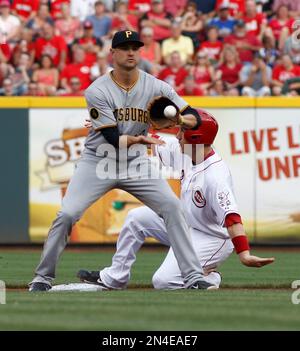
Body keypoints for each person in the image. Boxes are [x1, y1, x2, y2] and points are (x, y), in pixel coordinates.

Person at [28, 30, 214, 292]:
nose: (131, 52)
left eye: (135, 47)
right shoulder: (97, 90)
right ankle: (42, 277)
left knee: (172, 207)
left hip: (137, 164)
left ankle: (193, 277)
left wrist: (181, 120)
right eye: (124, 47)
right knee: (67, 214)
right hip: (98, 161)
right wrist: (140, 140)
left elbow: (194, 115)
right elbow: (113, 138)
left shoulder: (157, 87)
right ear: (112, 53)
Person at [77, 111, 275, 290]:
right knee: (136, 217)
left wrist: (244, 254)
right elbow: (146, 139)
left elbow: (232, 218)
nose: (178, 136)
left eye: (182, 132)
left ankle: (210, 278)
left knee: (164, 281)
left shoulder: (216, 177)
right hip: (186, 224)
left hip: (211, 238)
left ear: (195, 138)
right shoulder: (187, 152)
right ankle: (115, 277)